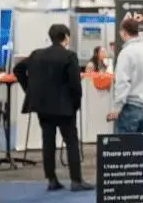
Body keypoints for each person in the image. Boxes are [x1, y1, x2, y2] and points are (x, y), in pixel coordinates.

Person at [13, 24, 93, 191]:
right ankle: (76, 181)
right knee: (71, 142)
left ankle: (51, 179)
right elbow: (75, 84)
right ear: (66, 37)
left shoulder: (36, 54)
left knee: (48, 141)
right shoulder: (69, 56)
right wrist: (76, 103)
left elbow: (18, 69)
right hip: (64, 107)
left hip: (42, 106)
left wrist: (29, 90)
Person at [108, 19, 143, 132]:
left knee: (126, 143)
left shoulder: (126, 52)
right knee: (140, 143)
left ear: (123, 32)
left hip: (130, 107)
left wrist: (116, 108)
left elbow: (122, 82)